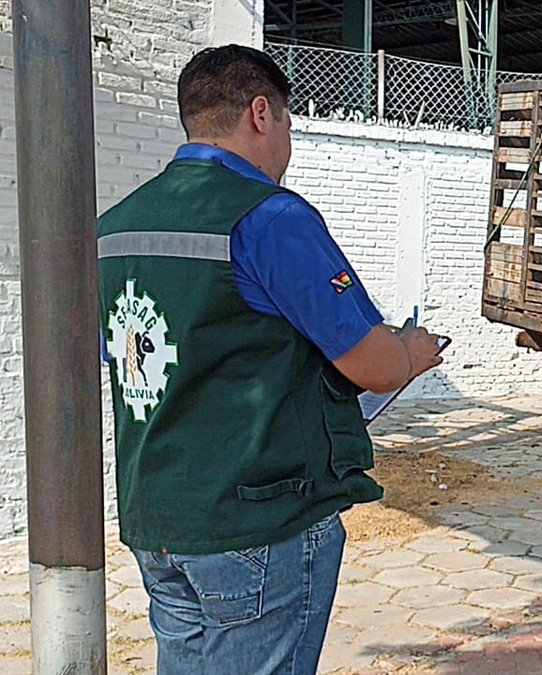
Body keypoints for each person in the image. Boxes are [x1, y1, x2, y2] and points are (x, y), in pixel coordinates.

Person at [97, 45, 445, 674]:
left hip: (159, 520)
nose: (287, 141)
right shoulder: (271, 218)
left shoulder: (116, 227)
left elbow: (131, 357)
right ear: (262, 113)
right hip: (257, 522)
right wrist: (411, 353)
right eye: (288, 122)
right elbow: (375, 366)